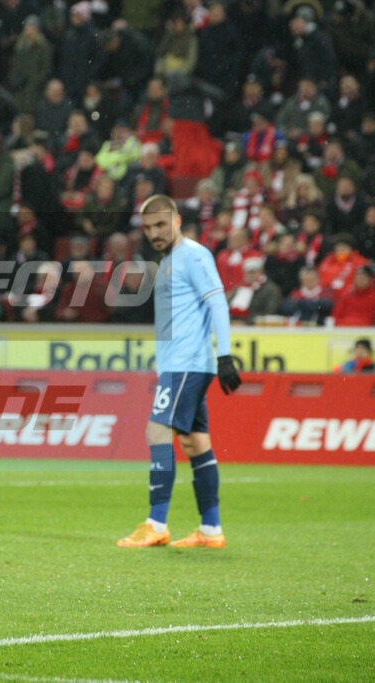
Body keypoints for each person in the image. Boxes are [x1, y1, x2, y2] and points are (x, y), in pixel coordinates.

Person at [117, 195, 241, 550]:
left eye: (160, 224)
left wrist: (226, 355)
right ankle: (211, 530)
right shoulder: (169, 260)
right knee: (194, 442)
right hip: (179, 365)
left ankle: (156, 523)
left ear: (177, 220)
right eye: (148, 227)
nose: (155, 233)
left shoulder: (194, 255)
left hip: (187, 364)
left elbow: (217, 300)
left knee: (157, 430)